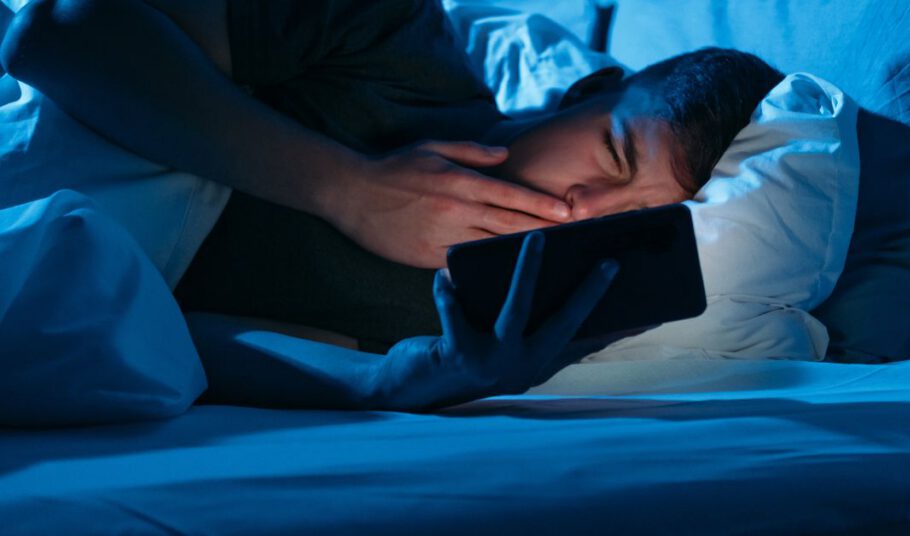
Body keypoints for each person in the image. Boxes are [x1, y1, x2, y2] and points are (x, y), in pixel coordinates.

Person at [0, 0, 783, 409]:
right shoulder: (393, 38)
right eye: (614, 154)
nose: (585, 209)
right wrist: (348, 186)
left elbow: (191, 347)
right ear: (588, 91)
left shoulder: (468, 310)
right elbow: (57, 34)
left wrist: (411, 378)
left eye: (632, 217)